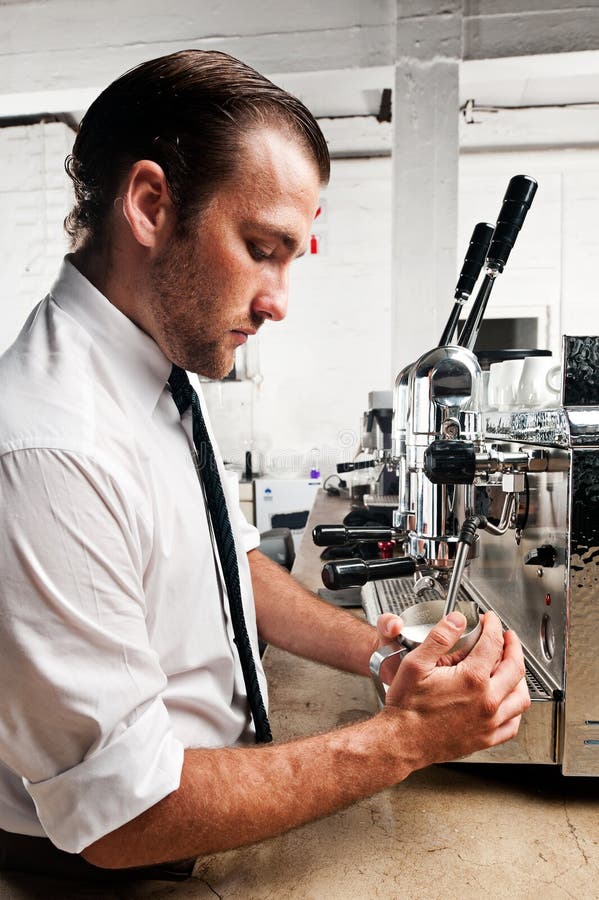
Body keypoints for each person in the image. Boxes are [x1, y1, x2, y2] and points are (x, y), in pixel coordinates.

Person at [0, 49, 530, 880]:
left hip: (212, 812)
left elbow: (229, 563)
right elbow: (120, 816)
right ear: (149, 205)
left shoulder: (157, 371)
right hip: (122, 870)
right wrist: (408, 739)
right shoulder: (48, 446)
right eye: (261, 248)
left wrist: (378, 656)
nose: (279, 299)